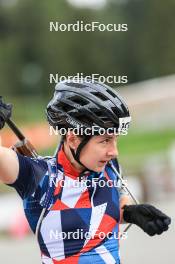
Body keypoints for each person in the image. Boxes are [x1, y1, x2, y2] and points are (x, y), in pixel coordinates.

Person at [0, 81, 171, 264]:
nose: (114, 151)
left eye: (115, 139)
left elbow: (106, 208)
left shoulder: (110, 166)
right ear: (73, 139)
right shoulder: (38, 175)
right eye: (105, 141)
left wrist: (131, 213)